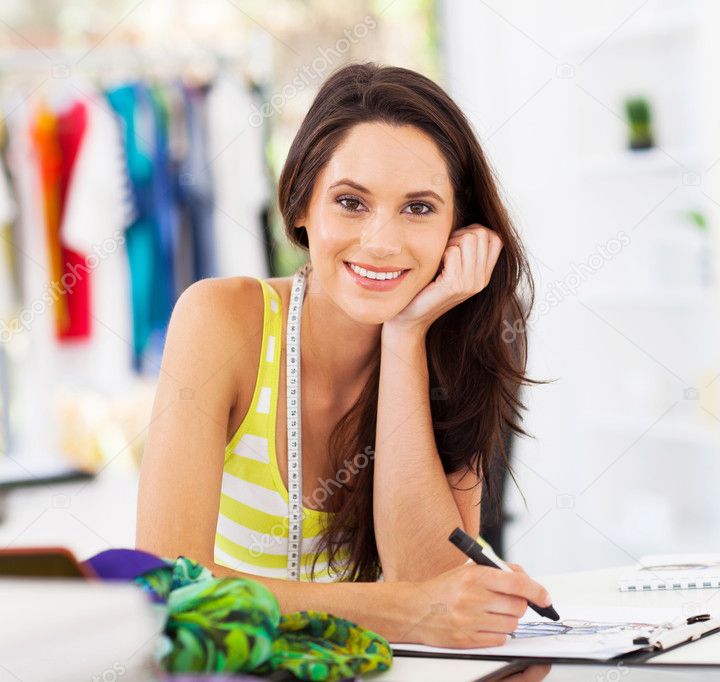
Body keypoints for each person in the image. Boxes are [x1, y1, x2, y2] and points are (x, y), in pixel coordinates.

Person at [136, 62, 550, 648]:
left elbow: (433, 583)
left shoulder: (459, 345)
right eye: (352, 202)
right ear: (303, 206)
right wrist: (399, 610)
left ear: (458, 228)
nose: (381, 241)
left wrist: (406, 336)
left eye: (419, 208)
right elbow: (167, 587)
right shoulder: (222, 321)